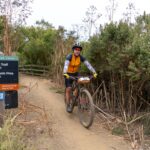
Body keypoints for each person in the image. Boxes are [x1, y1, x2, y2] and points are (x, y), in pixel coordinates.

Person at [63, 43, 97, 113]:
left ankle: (74, 99)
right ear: (73, 50)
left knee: (79, 84)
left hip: (76, 73)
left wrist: (94, 72)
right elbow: (66, 65)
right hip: (68, 73)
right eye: (76, 49)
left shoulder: (81, 57)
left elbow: (88, 65)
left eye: (79, 50)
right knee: (68, 89)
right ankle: (68, 104)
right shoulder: (69, 56)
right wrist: (65, 73)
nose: (77, 51)